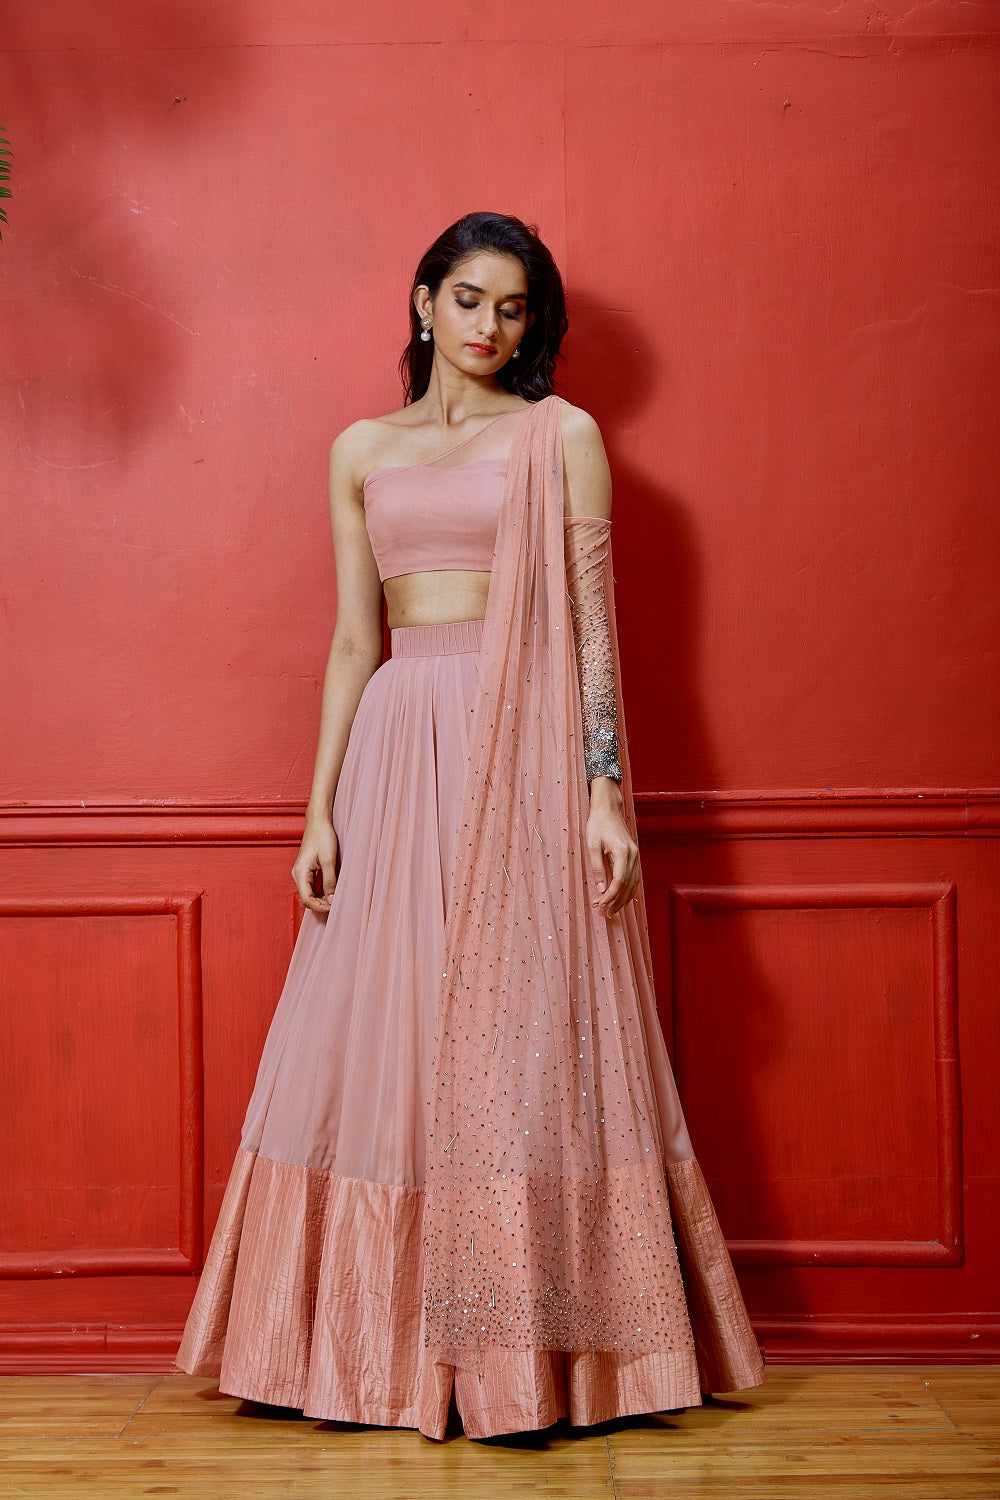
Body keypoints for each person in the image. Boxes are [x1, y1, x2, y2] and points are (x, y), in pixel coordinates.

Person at [175, 210, 766, 1441]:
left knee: (524, 1038)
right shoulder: (360, 449)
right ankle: (359, 1353)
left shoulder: (561, 437)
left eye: (513, 308)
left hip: (524, 747)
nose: (490, 325)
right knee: (385, 1034)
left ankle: (534, 1360)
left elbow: (594, 637)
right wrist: (317, 810)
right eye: (469, 299)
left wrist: (605, 793)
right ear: (423, 300)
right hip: (398, 751)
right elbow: (355, 640)